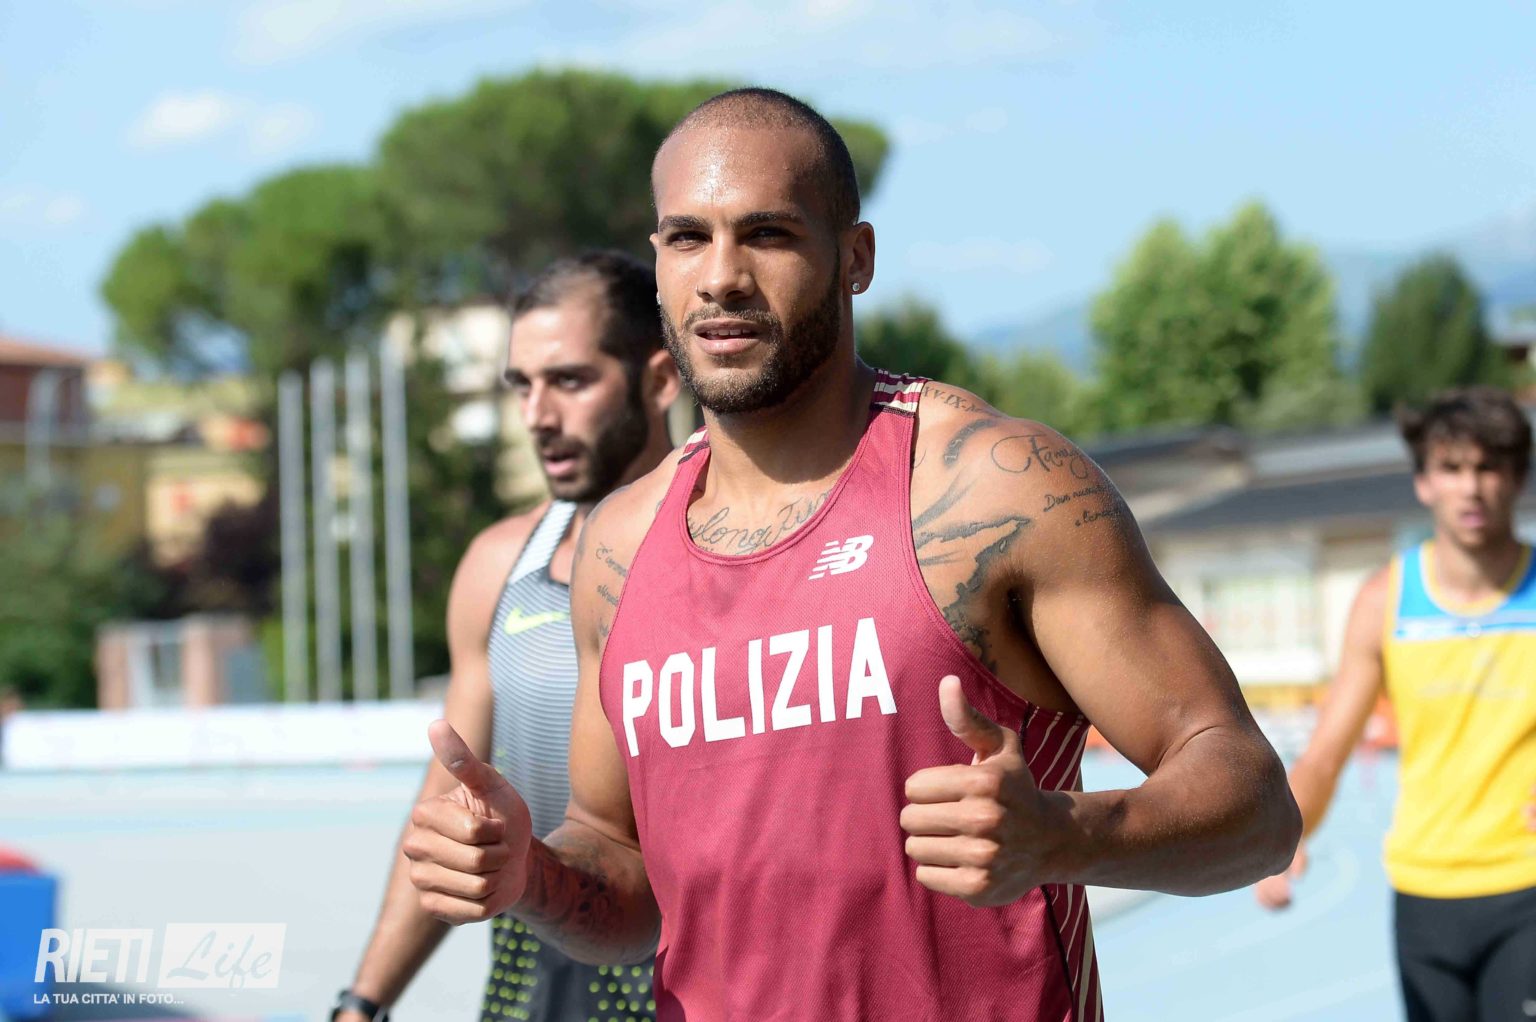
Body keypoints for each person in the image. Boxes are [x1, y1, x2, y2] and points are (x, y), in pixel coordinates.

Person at [404, 88, 1300, 1021]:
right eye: (687, 239)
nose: (721, 277)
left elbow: (1257, 806)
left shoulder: (993, 490)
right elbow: (623, 871)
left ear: (855, 259)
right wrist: (529, 874)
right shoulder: (619, 546)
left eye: (768, 234)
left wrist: (1067, 834)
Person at [334, 251, 680, 1022]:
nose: (536, 415)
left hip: (689, 998)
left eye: (570, 380)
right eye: (521, 385)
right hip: (527, 1000)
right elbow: (450, 809)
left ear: (660, 380)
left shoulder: (733, 560)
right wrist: (362, 1004)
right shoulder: (499, 566)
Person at [1256, 387, 1536, 1021]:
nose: (1471, 488)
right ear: (1423, 482)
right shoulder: (1384, 600)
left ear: (1517, 478)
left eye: (1489, 467)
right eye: (1452, 468)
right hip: (1423, 891)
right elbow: (1325, 755)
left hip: (1526, 884)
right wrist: (1284, 838)